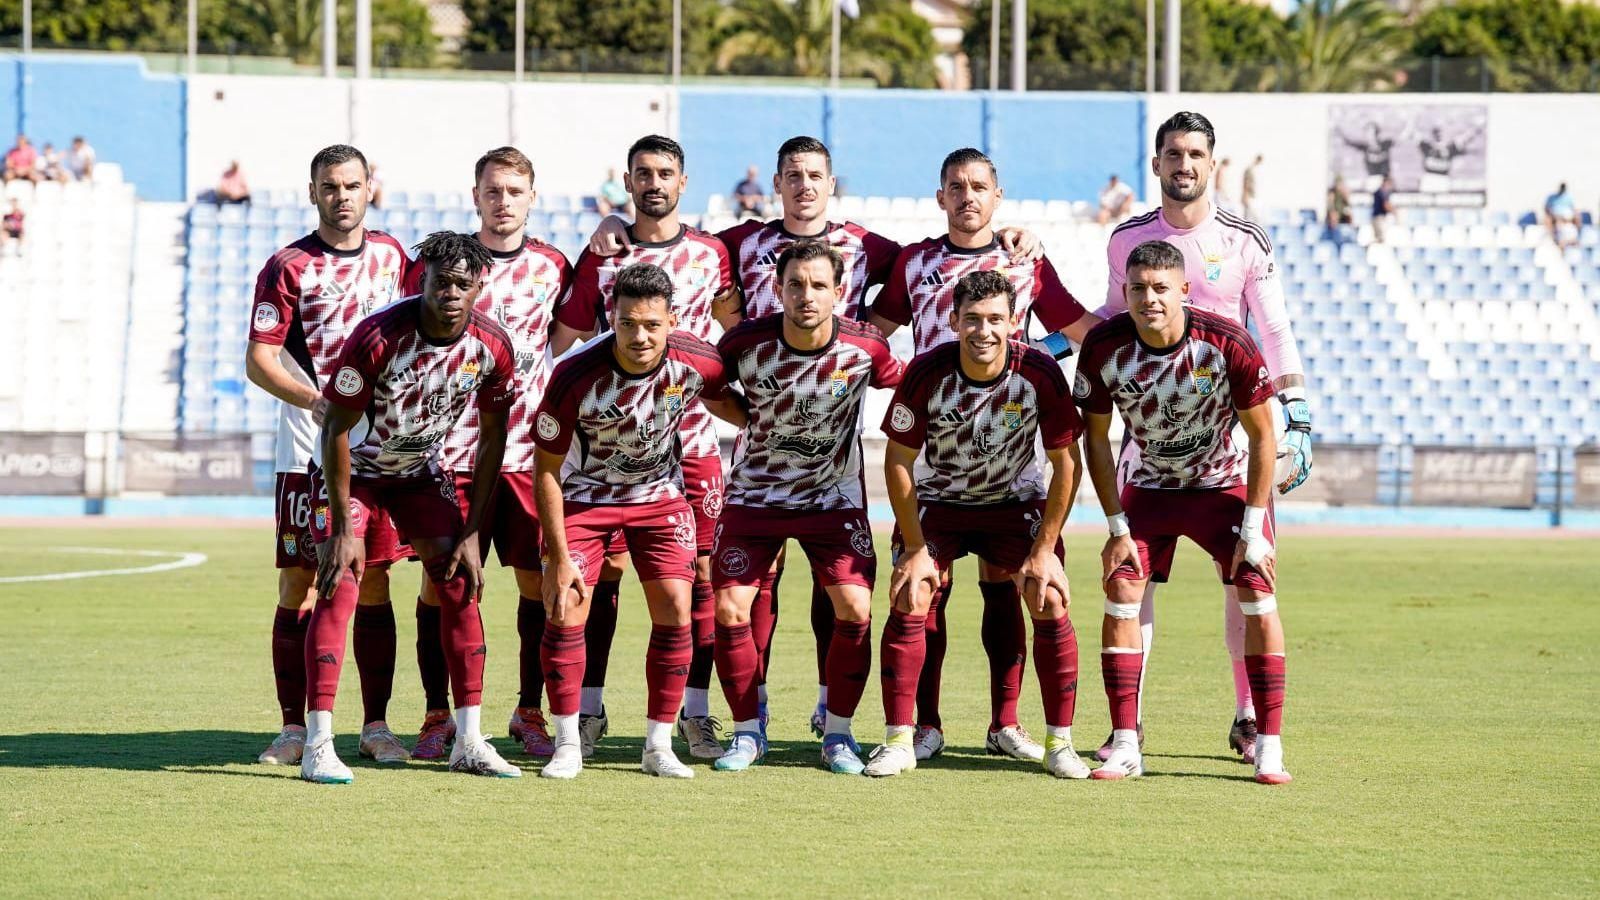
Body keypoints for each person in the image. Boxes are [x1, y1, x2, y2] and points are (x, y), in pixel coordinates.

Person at [585, 135, 1043, 736]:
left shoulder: (870, 248)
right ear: (777, 184)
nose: (804, 185)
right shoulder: (740, 242)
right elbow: (671, 233)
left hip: (834, 455)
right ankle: (752, 710)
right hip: (756, 456)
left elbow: (936, 259)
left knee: (839, 590)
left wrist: (1019, 237)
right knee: (748, 586)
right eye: (792, 175)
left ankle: (832, 708)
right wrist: (617, 221)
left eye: (815, 175)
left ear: (832, 185)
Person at [868, 147, 1098, 763]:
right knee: (922, 592)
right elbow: (871, 333)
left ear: (998, 197)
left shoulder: (1026, 258)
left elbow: (1081, 332)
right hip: (937, 463)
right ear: (940, 197)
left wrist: (1038, 352)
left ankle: (1006, 725)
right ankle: (925, 727)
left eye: (979, 187)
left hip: (1010, 471)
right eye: (955, 187)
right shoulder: (914, 263)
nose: (967, 196)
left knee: (1012, 588)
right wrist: (897, 375)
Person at [1097, 111, 1311, 767]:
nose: (1183, 165)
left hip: (1232, 443)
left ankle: (1249, 716)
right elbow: (1109, 320)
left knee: (1242, 583)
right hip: (1151, 438)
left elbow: (1273, 331)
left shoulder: (1244, 239)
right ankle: (1126, 730)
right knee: (1135, 581)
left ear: (1211, 165)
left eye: (1195, 154)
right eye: (1172, 154)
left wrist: (1296, 413)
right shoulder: (1127, 238)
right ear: (1156, 164)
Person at [308, 231, 522, 783]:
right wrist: (341, 527)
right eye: (440, 280)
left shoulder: (493, 346)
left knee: (460, 582)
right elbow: (334, 426)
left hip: (420, 473)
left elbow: (494, 437)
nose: (450, 292)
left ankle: (470, 739)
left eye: (462, 283)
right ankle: (318, 743)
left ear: (479, 285)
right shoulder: (378, 336)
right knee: (341, 582)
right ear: (421, 279)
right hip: (355, 471)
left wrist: (475, 531)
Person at [1078, 238, 1292, 786]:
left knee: (1255, 586)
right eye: (1137, 289)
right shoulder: (1104, 347)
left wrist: (1253, 528)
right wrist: (1115, 526)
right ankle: (1126, 741)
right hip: (1151, 487)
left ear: (1185, 291)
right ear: (1124, 292)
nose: (1148, 299)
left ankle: (1269, 741)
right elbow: (1096, 439)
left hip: (1222, 485)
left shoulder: (1226, 342)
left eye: (1160, 289)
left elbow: (1264, 435)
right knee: (1122, 587)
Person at [552, 134, 737, 763]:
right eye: (642, 173)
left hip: (694, 441)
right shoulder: (602, 253)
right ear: (626, 183)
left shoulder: (715, 253)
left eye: (665, 173)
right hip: (609, 448)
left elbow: (735, 333)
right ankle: (588, 707)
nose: (653, 182)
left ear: (683, 182)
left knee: (700, 578)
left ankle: (695, 714)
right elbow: (567, 340)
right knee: (597, 574)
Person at [534, 263, 747, 780]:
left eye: (651, 324)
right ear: (612, 318)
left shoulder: (698, 361)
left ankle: (657, 745)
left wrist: (768, 424)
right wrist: (559, 557)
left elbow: (727, 399)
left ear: (672, 320)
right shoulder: (574, 376)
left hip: (659, 498)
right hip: (586, 498)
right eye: (628, 323)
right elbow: (545, 469)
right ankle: (567, 743)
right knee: (567, 606)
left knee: (678, 605)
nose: (640, 335)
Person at [245, 144, 412, 769]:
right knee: (299, 582)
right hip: (304, 444)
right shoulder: (286, 266)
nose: (341, 196)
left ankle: (375, 725)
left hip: (380, 447)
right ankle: (294, 729)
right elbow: (258, 360)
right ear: (312, 192)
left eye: (351, 185)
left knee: (373, 578)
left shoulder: (396, 258)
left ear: (371, 187)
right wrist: (316, 401)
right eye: (329, 187)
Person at [709, 239, 903, 775]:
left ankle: (838, 734)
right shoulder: (745, 343)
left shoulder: (866, 348)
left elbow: (914, 387)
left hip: (832, 501)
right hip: (755, 496)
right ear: (777, 289)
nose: (806, 295)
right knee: (729, 609)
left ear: (839, 293)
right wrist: (747, 418)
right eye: (795, 284)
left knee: (855, 608)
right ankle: (749, 732)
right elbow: (707, 383)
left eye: (819, 285)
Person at [411, 146, 574, 763]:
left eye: (515, 190)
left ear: (533, 197)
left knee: (537, 585)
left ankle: (528, 710)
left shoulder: (554, 266)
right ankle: (437, 716)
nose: (504, 202)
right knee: (443, 586)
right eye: (493, 190)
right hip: (448, 454)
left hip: (528, 456)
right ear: (475, 195)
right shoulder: (442, 264)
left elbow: (557, 340)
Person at [1546, 182, 1580, 250]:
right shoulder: (1552, 197)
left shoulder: (1568, 197)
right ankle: (1555, 239)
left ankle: (1580, 236)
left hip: (1566, 217)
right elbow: (1547, 208)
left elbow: (1574, 209)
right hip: (1555, 216)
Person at [1372, 175, 1395, 244]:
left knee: (1379, 239)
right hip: (1379, 218)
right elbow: (1386, 205)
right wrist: (1394, 212)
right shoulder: (1382, 192)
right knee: (1380, 239)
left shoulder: (1379, 192)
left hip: (1377, 218)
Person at [1240, 154, 1263, 222]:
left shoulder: (1255, 169)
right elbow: (1246, 184)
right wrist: (1245, 196)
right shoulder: (1250, 170)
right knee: (1249, 219)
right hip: (1249, 197)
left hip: (1253, 197)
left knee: (1254, 219)